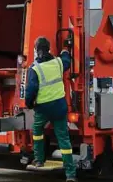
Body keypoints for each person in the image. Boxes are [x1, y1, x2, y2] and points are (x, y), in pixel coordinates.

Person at [25, 36, 77, 182]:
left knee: (37, 131)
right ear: (49, 49)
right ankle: (70, 174)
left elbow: (31, 90)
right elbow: (66, 60)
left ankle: (39, 160)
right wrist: (65, 50)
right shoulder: (58, 63)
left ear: (36, 50)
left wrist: (29, 104)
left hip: (43, 109)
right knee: (64, 139)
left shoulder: (34, 69)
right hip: (59, 107)